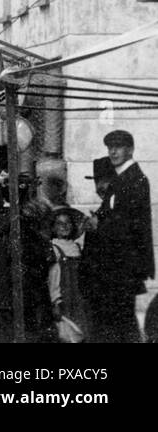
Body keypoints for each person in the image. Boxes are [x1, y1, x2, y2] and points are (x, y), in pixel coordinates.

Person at [81, 131, 154, 343]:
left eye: (119, 146)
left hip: (121, 265)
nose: (113, 151)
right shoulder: (121, 178)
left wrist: (98, 224)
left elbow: (128, 225)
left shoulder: (134, 179)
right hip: (116, 266)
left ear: (130, 149)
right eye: (110, 147)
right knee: (117, 321)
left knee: (119, 322)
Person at [0, 199, 56, 343]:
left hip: (2, 292)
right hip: (27, 294)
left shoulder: (1, 228)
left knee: (4, 333)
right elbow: (42, 263)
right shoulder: (30, 235)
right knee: (30, 333)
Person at [49, 206, 86, 342]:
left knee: (81, 332)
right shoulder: (54, 247)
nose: (64, 226)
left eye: (68, 223)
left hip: (78, 297)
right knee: (66, 334)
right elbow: (53, 277)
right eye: (60, 223)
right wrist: (55, 301)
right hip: (64, 299)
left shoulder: (76, 247)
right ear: (53, 228)